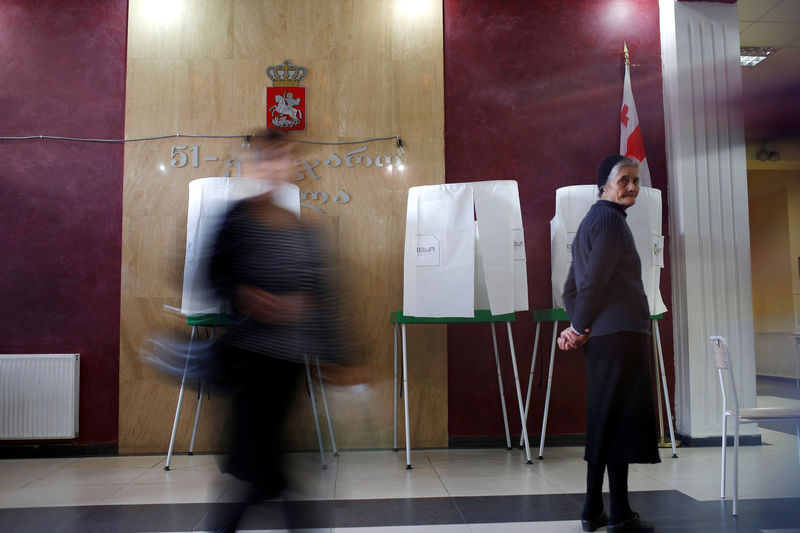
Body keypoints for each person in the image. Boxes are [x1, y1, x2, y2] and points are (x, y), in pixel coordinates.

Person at [207, 129, 338, 532]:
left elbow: (322, 291)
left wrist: (337, 354)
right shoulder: (236, 219)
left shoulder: (301, 228)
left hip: (289, 361)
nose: (277, 166)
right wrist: (248, 295)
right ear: (254, 165)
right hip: (250, 360)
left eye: (284, 158)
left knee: (265, 462)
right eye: (268, 158)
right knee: (264, 463)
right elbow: (212, 276)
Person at [557, 155, 660, 532]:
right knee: (616, 422)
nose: (631, 187)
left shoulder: (592, 221)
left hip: (605, 336)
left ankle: (597, 511)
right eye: (624, 180)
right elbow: (594, 281)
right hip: (622, 335)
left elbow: (571, 287)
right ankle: (615, 514)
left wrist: (578, 327)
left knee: (606, 420)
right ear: (605, 184)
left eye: (635, 180)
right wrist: (579, 325)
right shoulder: (609, 221)